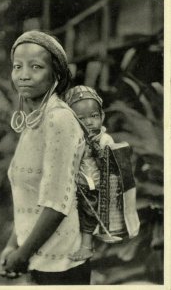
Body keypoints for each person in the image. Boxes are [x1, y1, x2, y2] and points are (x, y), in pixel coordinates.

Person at [0, 31, 91, 285]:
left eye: (36, 66)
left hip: (61, 266)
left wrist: (22, 254)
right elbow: (30, 198)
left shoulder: (58, 119)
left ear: (56, 75)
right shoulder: (35, 119)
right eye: (18, 66)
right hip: (37, 259)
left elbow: (57, 202)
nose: (23, 74)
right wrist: (12, 246)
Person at [64, 85, 114, 261]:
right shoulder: (75, 138)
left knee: (88, 214)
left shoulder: (104, 139)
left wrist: (97, 149)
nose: (89, 122)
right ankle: (75, 243)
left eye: (93, 116)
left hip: (94, 185)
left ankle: (87, 246)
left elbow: (111, 166)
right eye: (81, 118)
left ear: (102, 116)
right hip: (77, 184)